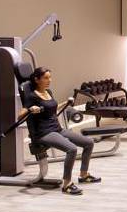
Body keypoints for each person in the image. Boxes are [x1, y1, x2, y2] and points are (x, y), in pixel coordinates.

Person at [21, 66, 101, 195]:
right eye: (46, 78)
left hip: (57, 129)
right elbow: (20, 115)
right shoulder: (32, 96)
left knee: (88, 143)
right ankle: (67, 184)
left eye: (50, 77)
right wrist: (31, 109)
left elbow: (52, 108)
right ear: (37, 79)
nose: (49, 80)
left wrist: (65, 103)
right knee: (72, 149)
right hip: (44, 133)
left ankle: (84, 175)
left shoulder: (49, 92)